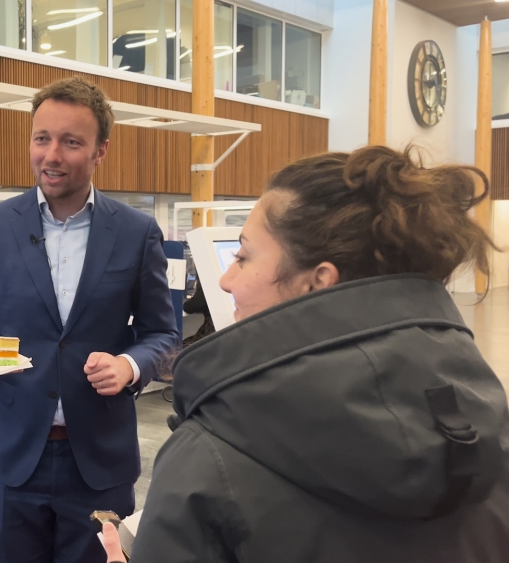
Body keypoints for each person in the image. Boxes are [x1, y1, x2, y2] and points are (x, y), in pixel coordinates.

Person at [114, 146, 509, 562]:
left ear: (318, 282)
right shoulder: (481, 428)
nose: (228, 279)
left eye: (244, 256)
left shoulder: (211, 461)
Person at [0, 76, 179, 563]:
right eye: (42, 138)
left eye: (71, 142)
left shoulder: (136, 232)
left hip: (99, 460)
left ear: (101, 151)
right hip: (10, 457)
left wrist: (130, 365)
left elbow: (164, 333)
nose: (51, 155)